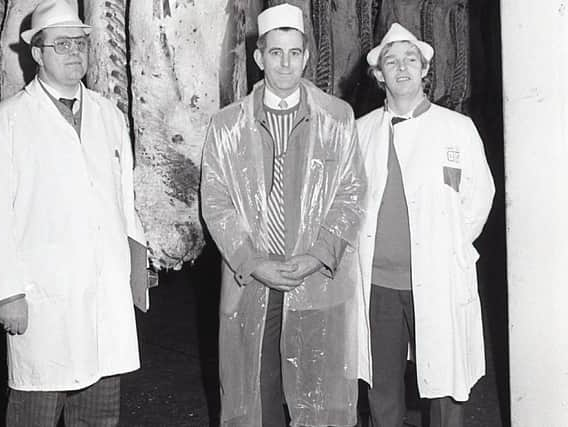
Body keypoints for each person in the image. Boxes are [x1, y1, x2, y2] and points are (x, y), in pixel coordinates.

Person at [0, 0, 146, 425]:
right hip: (42, 299)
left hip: (104, 295)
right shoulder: (5, 121)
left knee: (99, 417)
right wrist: (6, 293)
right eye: (60, 44)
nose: (73, 52)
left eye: (80, 43)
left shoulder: (108, 115)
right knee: (35, 414)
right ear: (37, 53)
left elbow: (124, 202)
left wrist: (136, 273)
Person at [200, 3, 367, 426]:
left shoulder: (336, 117)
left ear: (307, 56)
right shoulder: (226, 125)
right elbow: (216, 201)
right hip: (252, 280)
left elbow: (351, 194)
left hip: (315, 278)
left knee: (318, 390)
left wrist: (316, 256)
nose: (286, 63)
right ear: (258, 58)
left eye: (295, 52)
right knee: (257, 392)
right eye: (276, 52)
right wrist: (253, 262)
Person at [356, 23, 495, 427]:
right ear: (379, 74)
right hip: (377, 284)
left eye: (410, 60)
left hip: (438, 279)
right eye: (391, 61)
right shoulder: (361, 131)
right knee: (381, 389)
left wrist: (444, 246)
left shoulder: (457, 128)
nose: (401, 68)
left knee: (445, 384)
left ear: (424, 70)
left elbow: (478, 199)